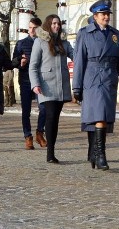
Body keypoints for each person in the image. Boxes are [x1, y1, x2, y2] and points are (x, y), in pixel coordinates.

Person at [72, 0, 119, 170]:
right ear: (95, 16)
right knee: (100, 116)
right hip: (92, 78)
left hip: (109, 78)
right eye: (103, 14)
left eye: (108, 14)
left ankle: (95, 153)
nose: (106, 17)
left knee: (102, 118)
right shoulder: (85, 33)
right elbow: (79, 60)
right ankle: (101, 155)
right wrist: (77, 86)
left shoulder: (114, 34)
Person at [29, 14, 75, 164]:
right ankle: (50, 153)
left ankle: (52, 150)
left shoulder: (64, 42)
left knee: (55, 119)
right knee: (49, 116)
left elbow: (76, 56)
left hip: (61, 86)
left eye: (58, 24)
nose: (56, 26)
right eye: (54, 23)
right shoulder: (39, 41)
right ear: (48, 25)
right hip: (46, 86)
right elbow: (33, 66)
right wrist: (35, 84)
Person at [13, 17, 47, 150]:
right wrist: (20, 62)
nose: (32, 30)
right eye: (30, 28)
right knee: (25, 110)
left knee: (43, 108)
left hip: (41, 80)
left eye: (34, 28)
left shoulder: (44, 42)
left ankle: (40, 133)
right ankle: (28, 136)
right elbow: (13, 61)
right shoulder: (21, 43)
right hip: (26, 80)